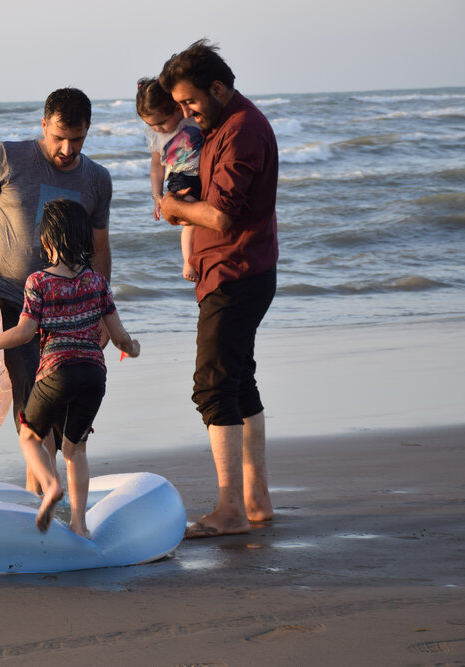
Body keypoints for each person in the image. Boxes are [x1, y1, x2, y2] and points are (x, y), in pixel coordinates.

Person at [0, 88, 113, 494]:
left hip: (66, 314)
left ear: (88, 130)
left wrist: (103, 314)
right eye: (59, 136)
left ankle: (41, 499)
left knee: (61, 411)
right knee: (33, 406)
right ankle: (40, 499)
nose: (67, 148)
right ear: (44, 125)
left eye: (77, 138)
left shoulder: (96, 179)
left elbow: (99, 248)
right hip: (8, 301)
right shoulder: (5, 158)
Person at [0, 200, 140, 537]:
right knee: (75, 449)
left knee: (29, 437)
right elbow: (120, 336)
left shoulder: (38, 281)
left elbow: (24, 332)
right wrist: (132, 348)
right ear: (84, 240)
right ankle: (81, 526)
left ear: (47, 242)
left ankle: (50, 486)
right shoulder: (97, 282)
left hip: (57, 371)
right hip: (94, 374)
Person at [157, 40, 280, 538]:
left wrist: (173, 208)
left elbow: (223, 217)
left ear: (218, 87)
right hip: (234, 269)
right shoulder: (224, 125)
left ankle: (230, 508)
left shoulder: (242, 130)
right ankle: (256, 498)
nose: (185, 113)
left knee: (211, 385)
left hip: (236, 271)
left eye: (190, 103)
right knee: (236, 379)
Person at [136, 77, 204, 283]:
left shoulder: (191, 120)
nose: (157, 128)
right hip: (180, 178)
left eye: (161, 123)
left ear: (176, 109)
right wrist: (157, 195)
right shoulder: (156, 135)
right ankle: (188, 261)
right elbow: (156, 166)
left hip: (203, 174)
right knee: (191, 219)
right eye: (150, 124)